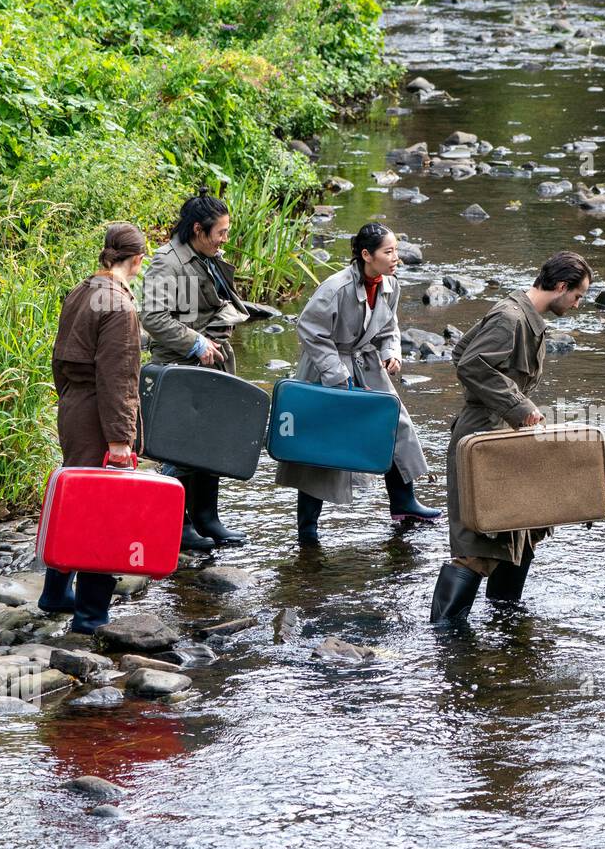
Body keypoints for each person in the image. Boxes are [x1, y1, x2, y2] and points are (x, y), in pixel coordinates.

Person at [430, 251, 593, 623]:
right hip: (482, 441)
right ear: (562, 287)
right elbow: (470, 364)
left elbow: (461, 351)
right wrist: (518, 406)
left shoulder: (524, 316)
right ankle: (445, 634)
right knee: (477, 542)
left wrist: (515, 410)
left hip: (503, 438)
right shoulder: (510, 317)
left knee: (524, 528)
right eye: (578, 296)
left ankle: (504, 618)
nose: (578, 304)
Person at [276, 222, 439, 543]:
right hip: (325, 369)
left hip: (366, 363)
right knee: (320, 446)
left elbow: (389, 326)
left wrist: (392, 352)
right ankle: (307, 527)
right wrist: (337, 374)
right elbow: (309, 328)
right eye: (388, 252)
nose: (396, 258)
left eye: (396, 251)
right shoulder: (335, 288)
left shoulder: (390, 285)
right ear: (366, 255)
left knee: (394, 425)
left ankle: (404, 501)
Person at [38, 223, 147, 633]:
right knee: (105, 513)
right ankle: (90, 615)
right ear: (136, 260)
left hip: (73, 406)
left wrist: (67, 398)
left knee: (76, 504)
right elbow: (120, 378)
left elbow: (58, 356)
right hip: (99, 415)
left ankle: (54, 593)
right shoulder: (119, 305)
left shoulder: (82, 290)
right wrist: (121, 440)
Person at [139, 186, 251, 551]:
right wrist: (196, 343)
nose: (225, 239)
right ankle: (179, 525)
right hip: (179, 367)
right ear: (198, 231)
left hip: (209, 365)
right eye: (220, 233)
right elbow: (153, 317)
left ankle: (207, 518)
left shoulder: (202, 256)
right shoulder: (166, 262)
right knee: (183, 448)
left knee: (211, 442)